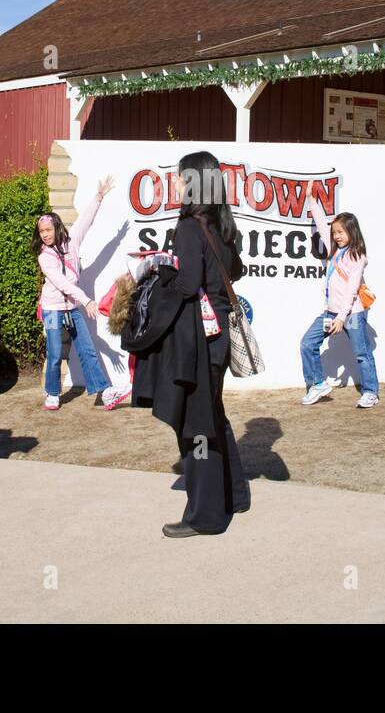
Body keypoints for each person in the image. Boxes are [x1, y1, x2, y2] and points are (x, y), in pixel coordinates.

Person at [125, 150, 251, 537]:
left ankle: (205, 516)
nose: (176, 184)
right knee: (212, 415)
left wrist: (159, 268)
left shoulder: (190, 228)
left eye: (180, 178)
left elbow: (185, 284)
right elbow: (235, 270)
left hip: (197, 342)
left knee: (195, 428)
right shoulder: (221, 226)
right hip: (217, 340)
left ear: (194, 183)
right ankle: (235, 494)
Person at [34, 176, 127, 410]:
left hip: (72, 308)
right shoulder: (44, 256)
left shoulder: (71, 242)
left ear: (56, 228)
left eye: (48, 230)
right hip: (54, 309)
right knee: (55, 354)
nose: (45, 234)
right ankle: (52, 393)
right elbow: (62, 283)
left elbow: (86, 220)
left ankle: (105, 392)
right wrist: (86, 301)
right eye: (41, 231)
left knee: (87, 350)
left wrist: (99, 197)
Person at [299, 200, 380, 408]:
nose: (336, 236)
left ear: (352, 232)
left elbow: (352, 291)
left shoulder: (357, 257)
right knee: (308, 343)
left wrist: (341, 318)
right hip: (331, 312)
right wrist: (310, 198)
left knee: (362, 353)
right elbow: (321, 222)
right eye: (335, 232)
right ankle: (318, 384)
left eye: (341, 232)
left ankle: (371, 392)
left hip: (351, 314)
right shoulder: (335, 250)